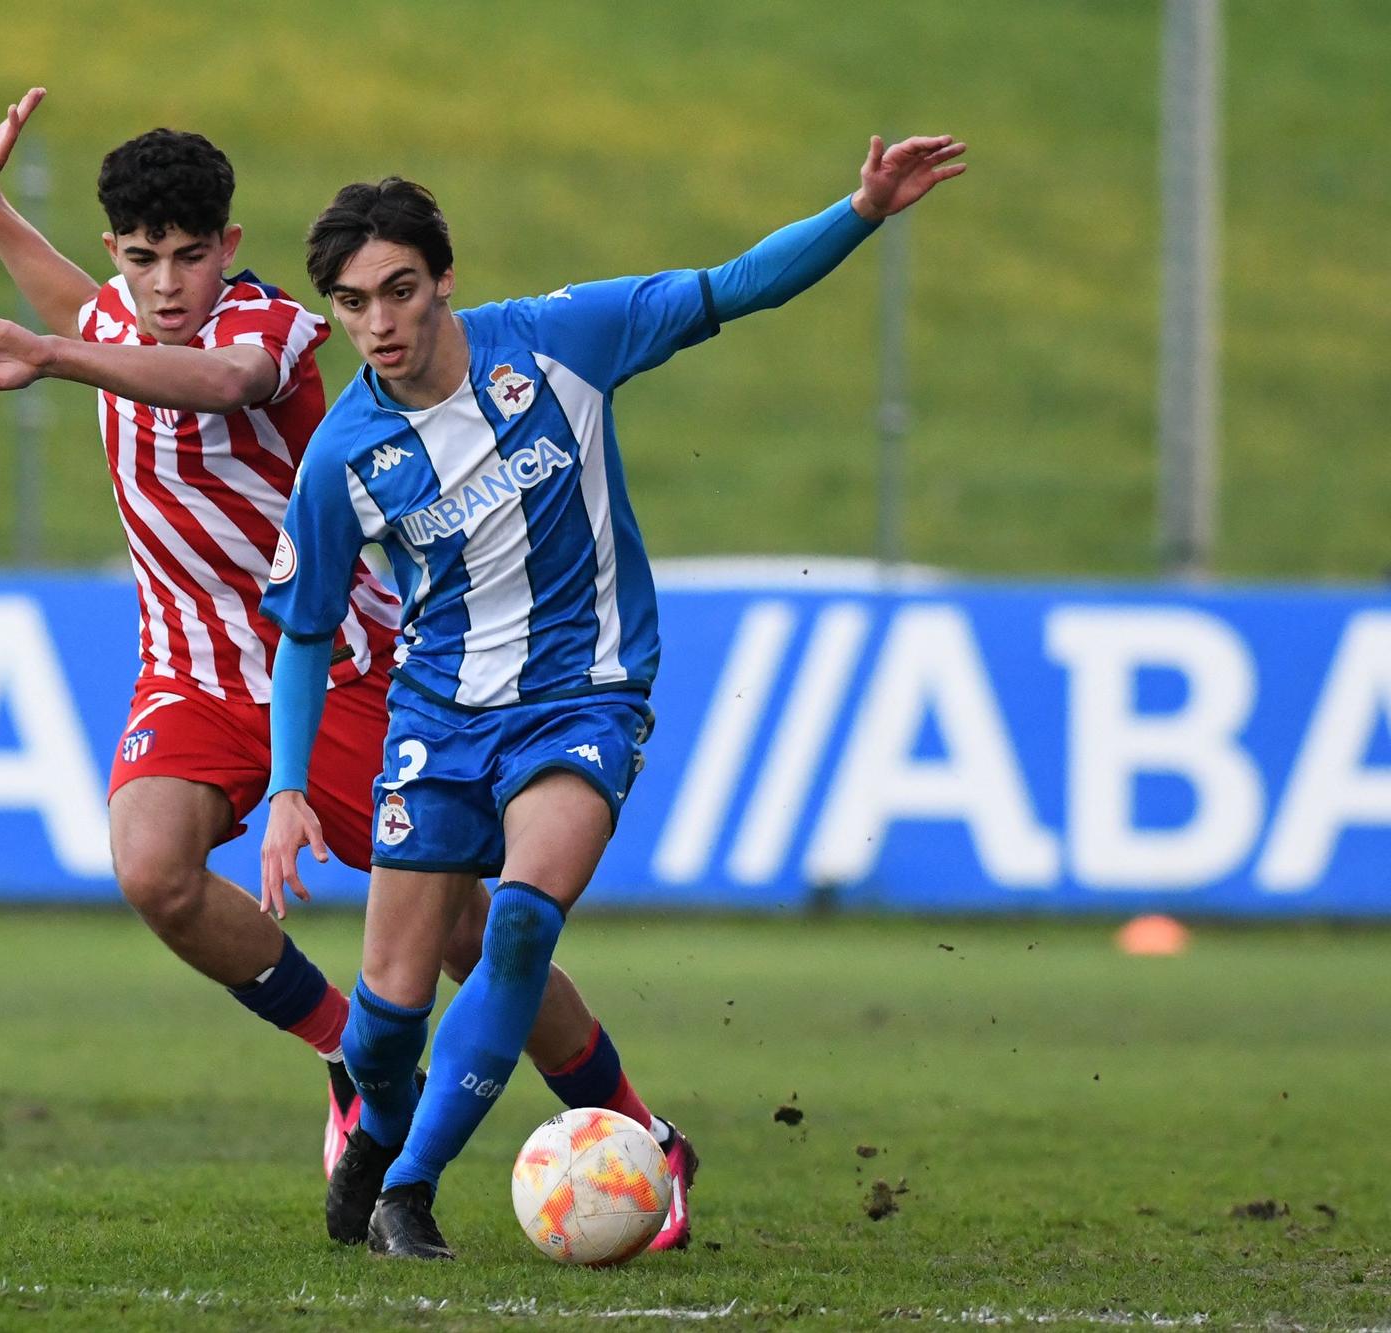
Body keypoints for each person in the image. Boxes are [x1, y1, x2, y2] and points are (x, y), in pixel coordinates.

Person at [0, 91, 701, 1247]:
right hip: (185, 673)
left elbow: (218, 383)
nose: (166, 283)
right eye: (141, 262)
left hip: (338, 672)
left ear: (228, 248)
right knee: (151, 870)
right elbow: (78, 314)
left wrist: (51, 355)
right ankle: (344, 1052)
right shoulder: (111, 324)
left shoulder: (274, 331)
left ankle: (631, 1125)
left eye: (190, 257)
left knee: (465, 938)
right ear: (116, 257)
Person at [261, 133, 967, 1258]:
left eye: (398, 290)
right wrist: (290, 786)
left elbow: (731, 288)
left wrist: (862, 210)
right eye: (351, 305)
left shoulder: (558, 341)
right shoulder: (343, 455)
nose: (379, 323)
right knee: (386, 1013)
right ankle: (380, 1134)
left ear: (444, 278)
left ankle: (410, 1186)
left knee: (522, 918)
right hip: (436, 718)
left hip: (582, 696)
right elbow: (301, 633)